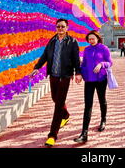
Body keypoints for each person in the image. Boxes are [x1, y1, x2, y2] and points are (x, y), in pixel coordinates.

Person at [30, 18, 82, 147]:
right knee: (55, 98)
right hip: (53, 75)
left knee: (58, 104)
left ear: (67, 28)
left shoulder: (72, 42)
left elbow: (76, 59)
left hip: (65, 76)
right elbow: (45, 56)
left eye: (63, 26)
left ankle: (52, 135)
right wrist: (37, 67)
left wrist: (78, 73)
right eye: (58, 26)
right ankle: (66, 115)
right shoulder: (52, 41)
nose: (60, 28)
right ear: (55, 27)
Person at [74, 30, 113, 143]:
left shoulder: (104, 48)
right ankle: (84, 133)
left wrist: (102, 64)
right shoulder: (86, 50)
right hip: (89, 80)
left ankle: (103, 120)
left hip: (101, 79)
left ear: (97, 38)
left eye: (93, 38)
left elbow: (110, 62)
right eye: (89, 39)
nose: (91, 40)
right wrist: (80, 74)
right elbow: (84, 63)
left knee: (102, 100)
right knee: (88, 104)